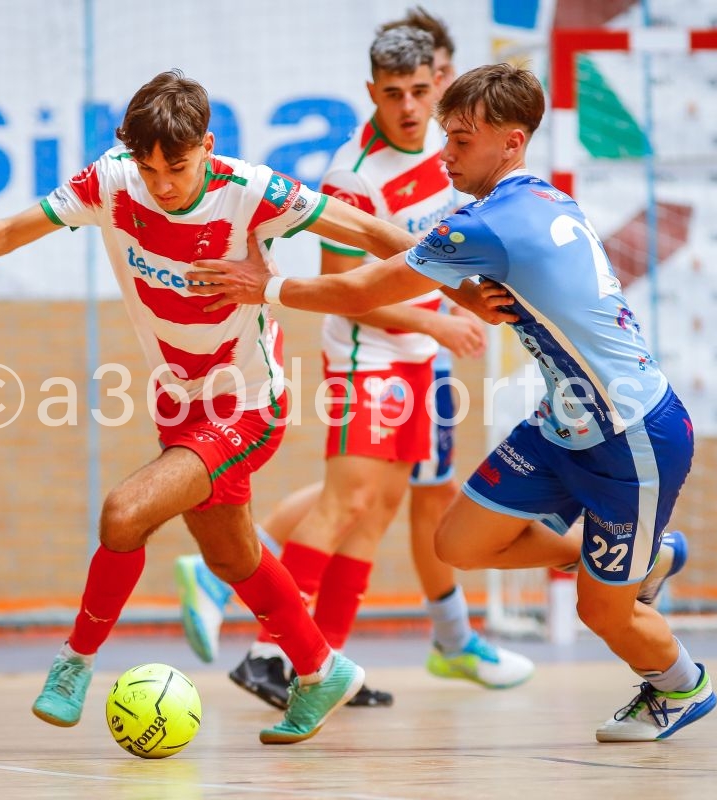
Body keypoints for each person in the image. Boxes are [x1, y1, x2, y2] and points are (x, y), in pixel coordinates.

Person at [0, 69, 432, 746]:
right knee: (232, 558)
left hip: (249, 403)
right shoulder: (110, 182)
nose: (162, 183)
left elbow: (368, 232)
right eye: (149, 167)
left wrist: (464, 267)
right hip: (177, 402)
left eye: (178, 165)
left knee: (124, 510)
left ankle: (73, 664)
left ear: (207, 145)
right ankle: (320, 669)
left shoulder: (248, 190)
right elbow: (9, 232)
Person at [185, 62, 715, 743]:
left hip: (633, 433)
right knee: (457, 541)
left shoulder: (486, 224)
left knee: (601, 613)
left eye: (462, 141)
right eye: (446, 137)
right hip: (565, 421)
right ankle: (643, 556)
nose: (445, 154)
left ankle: (680, 686)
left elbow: (360, 289)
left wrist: (265, 286)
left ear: (512, 143)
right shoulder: (542, 201)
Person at [175, 18, 535, 711]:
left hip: (421, 358)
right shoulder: (353, 174)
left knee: (376, 514)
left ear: (440, 84)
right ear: (371, 90)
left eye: (421, 90)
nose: (408, 106)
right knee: (347, 502)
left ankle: (325, 665)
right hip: (368, 359)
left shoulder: (449, 146)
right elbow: (348, 294)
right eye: (393, 92)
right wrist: (435, 318)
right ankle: (269, 654)